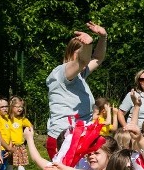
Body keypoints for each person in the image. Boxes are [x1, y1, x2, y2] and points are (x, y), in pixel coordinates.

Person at [46, 22, 107, 159]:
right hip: (63, 138)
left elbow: (97, 58)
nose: (87, 55)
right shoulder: (61, 73)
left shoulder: (80, 75)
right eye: (83, 51)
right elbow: (83, 61)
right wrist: (88, 44)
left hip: (80, 136)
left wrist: (103, 37)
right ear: (73, 53)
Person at [4, 97, 33, 170]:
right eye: (18, 106)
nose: (20, 108)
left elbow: (30, 128)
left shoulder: (23, 119)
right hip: (9, 148)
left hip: (20, 148)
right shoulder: (6, 118)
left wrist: (29, 134)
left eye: (22, 106)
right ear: (12, 107)